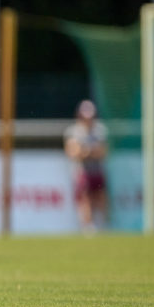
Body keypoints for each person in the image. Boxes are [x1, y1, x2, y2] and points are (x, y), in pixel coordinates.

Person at [63, 99, 109, 233]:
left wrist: (85, 151)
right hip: (82, 171)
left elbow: (102, 151)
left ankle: (102, 225)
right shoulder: (74, 131)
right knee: (85, 197)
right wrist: (89, 151)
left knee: (100, 196)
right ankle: (88, 227)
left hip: (97, 170)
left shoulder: (100, 130)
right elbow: (72, 151)